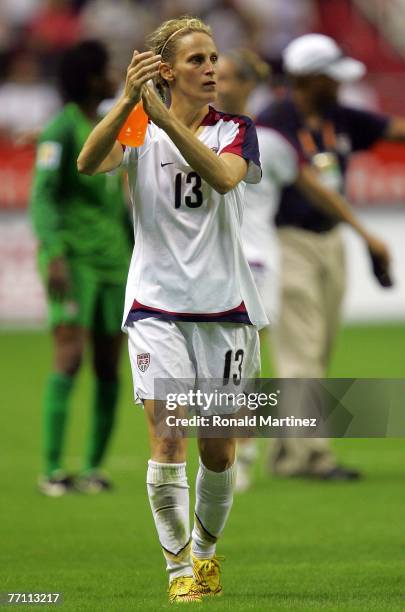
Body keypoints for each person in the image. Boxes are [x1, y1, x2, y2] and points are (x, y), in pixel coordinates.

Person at [77, 16, 267, 603]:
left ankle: (206, 554)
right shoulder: (137, 126)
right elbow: (89, 162)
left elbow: (224, 179)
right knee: (167, 440)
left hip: (224, 308)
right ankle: (178, 570)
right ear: (167, 71)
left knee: (219, 448)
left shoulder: (235, 129)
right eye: (197, 60)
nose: (211, 69)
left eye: (213, 58)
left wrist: (162, 121)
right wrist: (131, 104)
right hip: (155, 306)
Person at [216, 48, 392, 490]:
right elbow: (303, 182)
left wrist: (361, 234)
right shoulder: (274, 122)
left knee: (318, 349)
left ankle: (286, 449)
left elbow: (388, 132)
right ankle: (310, 454)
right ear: (310, 77)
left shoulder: (337, 115)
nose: (340, 84)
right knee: (300, 353)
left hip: (329, 240)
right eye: (332, 76)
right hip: (287, 243)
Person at [30, 40, 132, 497]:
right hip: (73, 257)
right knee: (70, 354)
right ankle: (53, 469)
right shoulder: (60, 130)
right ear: (91, 78)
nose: (114, 74)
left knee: (110, 363)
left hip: (116, 259)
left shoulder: (113, 127)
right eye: (107, 68)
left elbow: (123, 201)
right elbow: (43, 195)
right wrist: (53, 253)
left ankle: (93, 468)